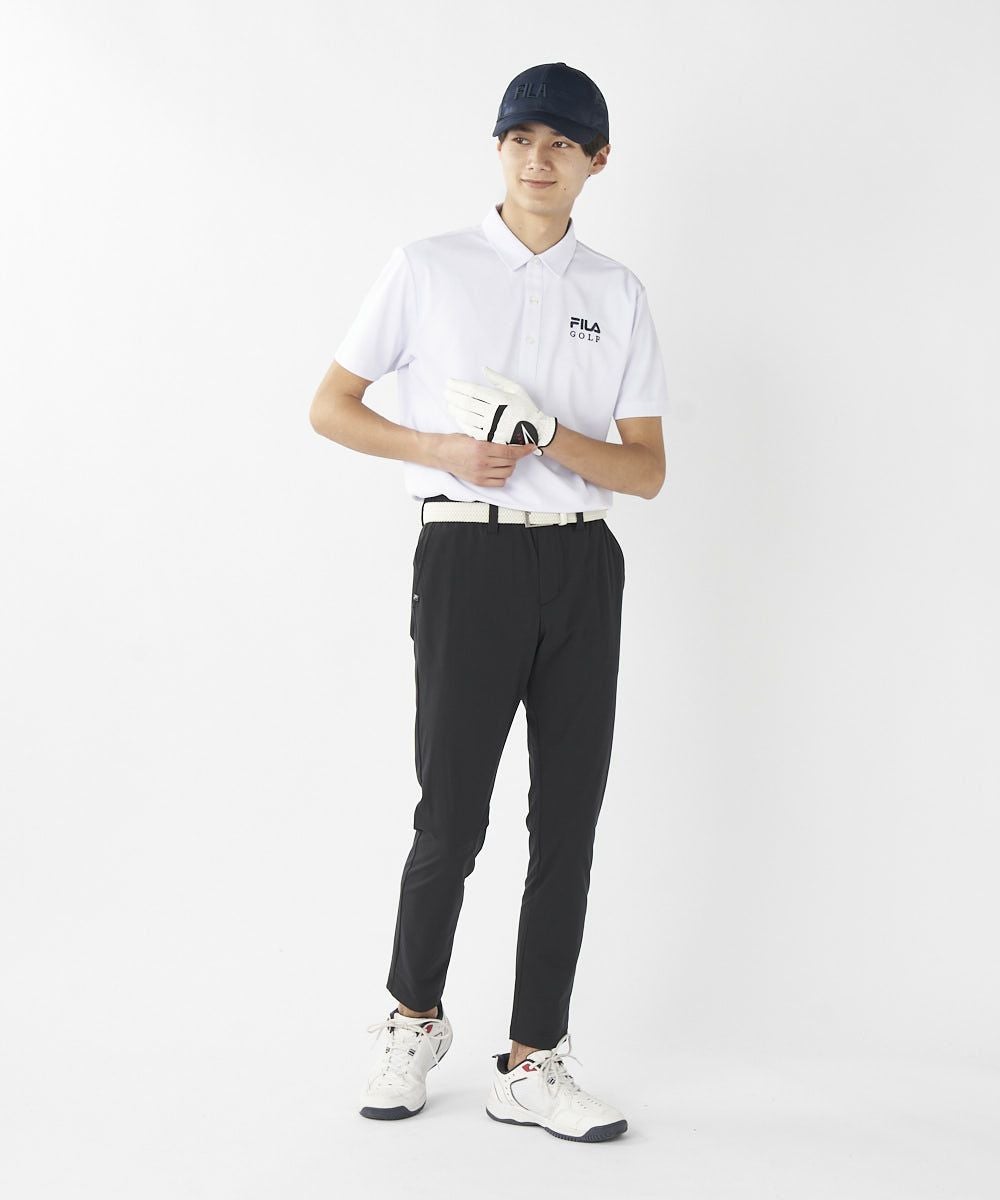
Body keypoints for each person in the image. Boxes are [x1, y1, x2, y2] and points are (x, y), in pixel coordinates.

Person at [309, 62, 668, 1143]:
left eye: (561, 143)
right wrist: (442, 449)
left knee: (567, 822)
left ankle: (533, 1058)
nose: (536, 159)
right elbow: (331, 405)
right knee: (451, 814)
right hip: (466, 554)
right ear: (498, 148)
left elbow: (646, 470)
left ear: (597, 160)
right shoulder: (429, 266)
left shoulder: (617, 292)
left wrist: (547, 434)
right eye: (520, 138)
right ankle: (412, 1020)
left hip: (582, 564)